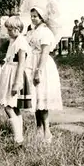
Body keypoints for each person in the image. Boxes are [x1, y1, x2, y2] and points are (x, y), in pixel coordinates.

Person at [27, 7, 63, 143]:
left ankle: (47, 130)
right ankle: (38, 129)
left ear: (42, 17)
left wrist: (38, 70)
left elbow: (44, 52)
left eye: (36, 16)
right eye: (32, 16)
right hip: (31, 63)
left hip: (42, 65)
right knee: (35, 97)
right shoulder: (31, 31)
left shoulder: (46, 32)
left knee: (43, 97)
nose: (33, 18)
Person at [0, 16, 32, 144]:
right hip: (9, 73)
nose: (8, 32)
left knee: (8, 106)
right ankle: (18, 136)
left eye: (10, 30)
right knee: (13, 106)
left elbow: (21, 64)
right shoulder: (14, 41)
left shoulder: (21, 43)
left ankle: (18, 137)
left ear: (17, 29)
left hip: (15, 75)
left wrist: (17, 83)